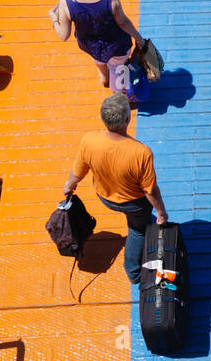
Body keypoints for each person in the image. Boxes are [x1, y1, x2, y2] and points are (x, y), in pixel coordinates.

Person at [62, 94, 168, 288]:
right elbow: (150, 191)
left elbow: (78, 171)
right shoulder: (141, 152)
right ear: (128, 119)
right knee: (137, 230)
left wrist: (69, 186)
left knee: (137, 224)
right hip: (134, 204)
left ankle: (135, 270)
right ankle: (133, 272)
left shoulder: (89, 141)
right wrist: (160, 213)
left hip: (105, 197)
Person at [48, 0, 145, 90]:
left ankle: (104, 76)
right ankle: (117, 91)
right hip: (116, 46)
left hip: (91, 46)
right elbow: (123, 22)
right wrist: (139, 39)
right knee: (118, 70)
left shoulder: (65, 2)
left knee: (99, 59)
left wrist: (53, 18)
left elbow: (64, 35)